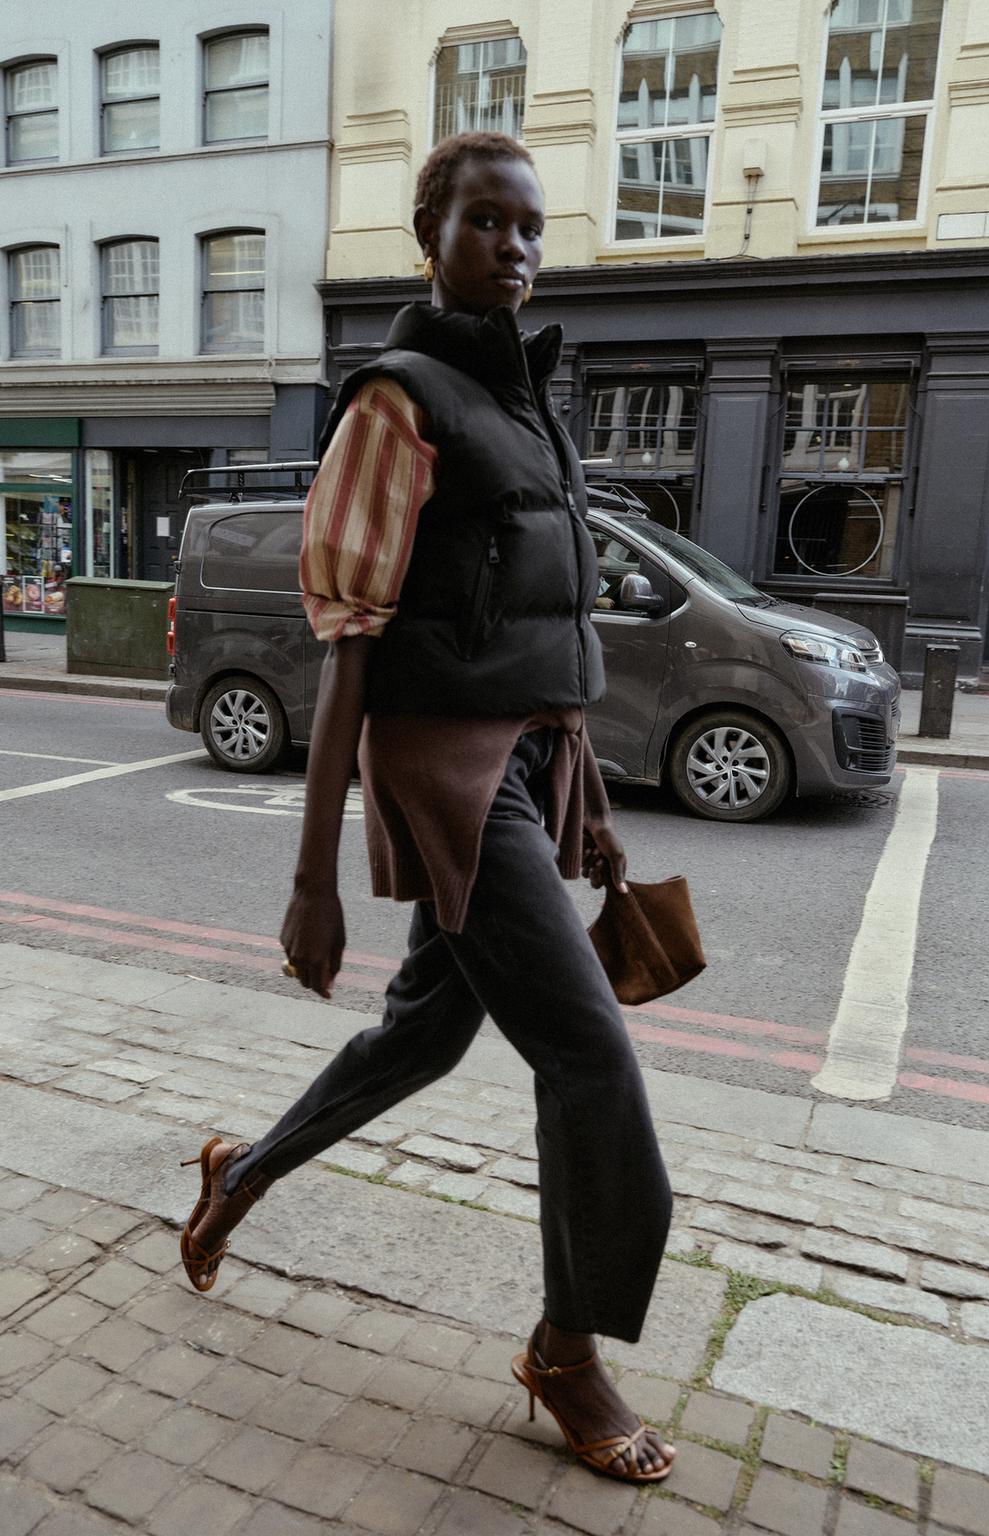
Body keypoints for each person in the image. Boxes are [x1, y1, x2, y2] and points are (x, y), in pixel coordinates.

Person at [180, 131, 675, 1484]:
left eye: (530, 231)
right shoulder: (395, 402)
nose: (513, 250)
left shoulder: (529, 401)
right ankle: (565, 1355)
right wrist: (312, 879)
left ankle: (241, 1175)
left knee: (422, 1039)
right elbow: (348, 644)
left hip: (528, 757)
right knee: (590, 1063)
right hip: (445, 771)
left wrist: (590, 800)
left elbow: (544, 616)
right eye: (485, 226)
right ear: (428, 233)